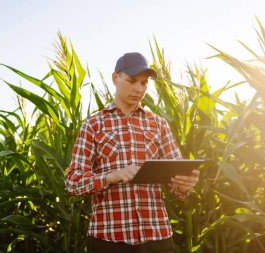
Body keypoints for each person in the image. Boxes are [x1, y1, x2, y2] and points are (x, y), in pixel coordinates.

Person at [65, 52, 200, 253]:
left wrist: (185, 183)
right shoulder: (93, 125)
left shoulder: (159, 124)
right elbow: (73, 182)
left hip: (156, 238)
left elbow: (176, 180)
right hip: (108, 240)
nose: (139, 89)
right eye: (132, 81)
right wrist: (110, 177)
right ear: (115, 78)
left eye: (144, 83)